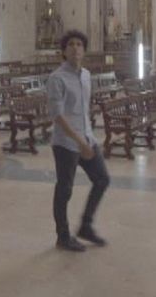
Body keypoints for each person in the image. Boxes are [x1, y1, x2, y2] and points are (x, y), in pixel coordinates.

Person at [45, 29, 109, 252]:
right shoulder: (57, 78)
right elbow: (58, 115)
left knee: (102, 179)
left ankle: (85, 226)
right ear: (64, 50)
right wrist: (79, 142)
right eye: (70, 44)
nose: (75, 48)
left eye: (79, 44)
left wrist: (88, 138)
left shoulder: (86, 76)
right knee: (65, 189)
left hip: (87, 137)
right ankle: (63, 236)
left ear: (84, 49)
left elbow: (83, 108)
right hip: (66, 143)